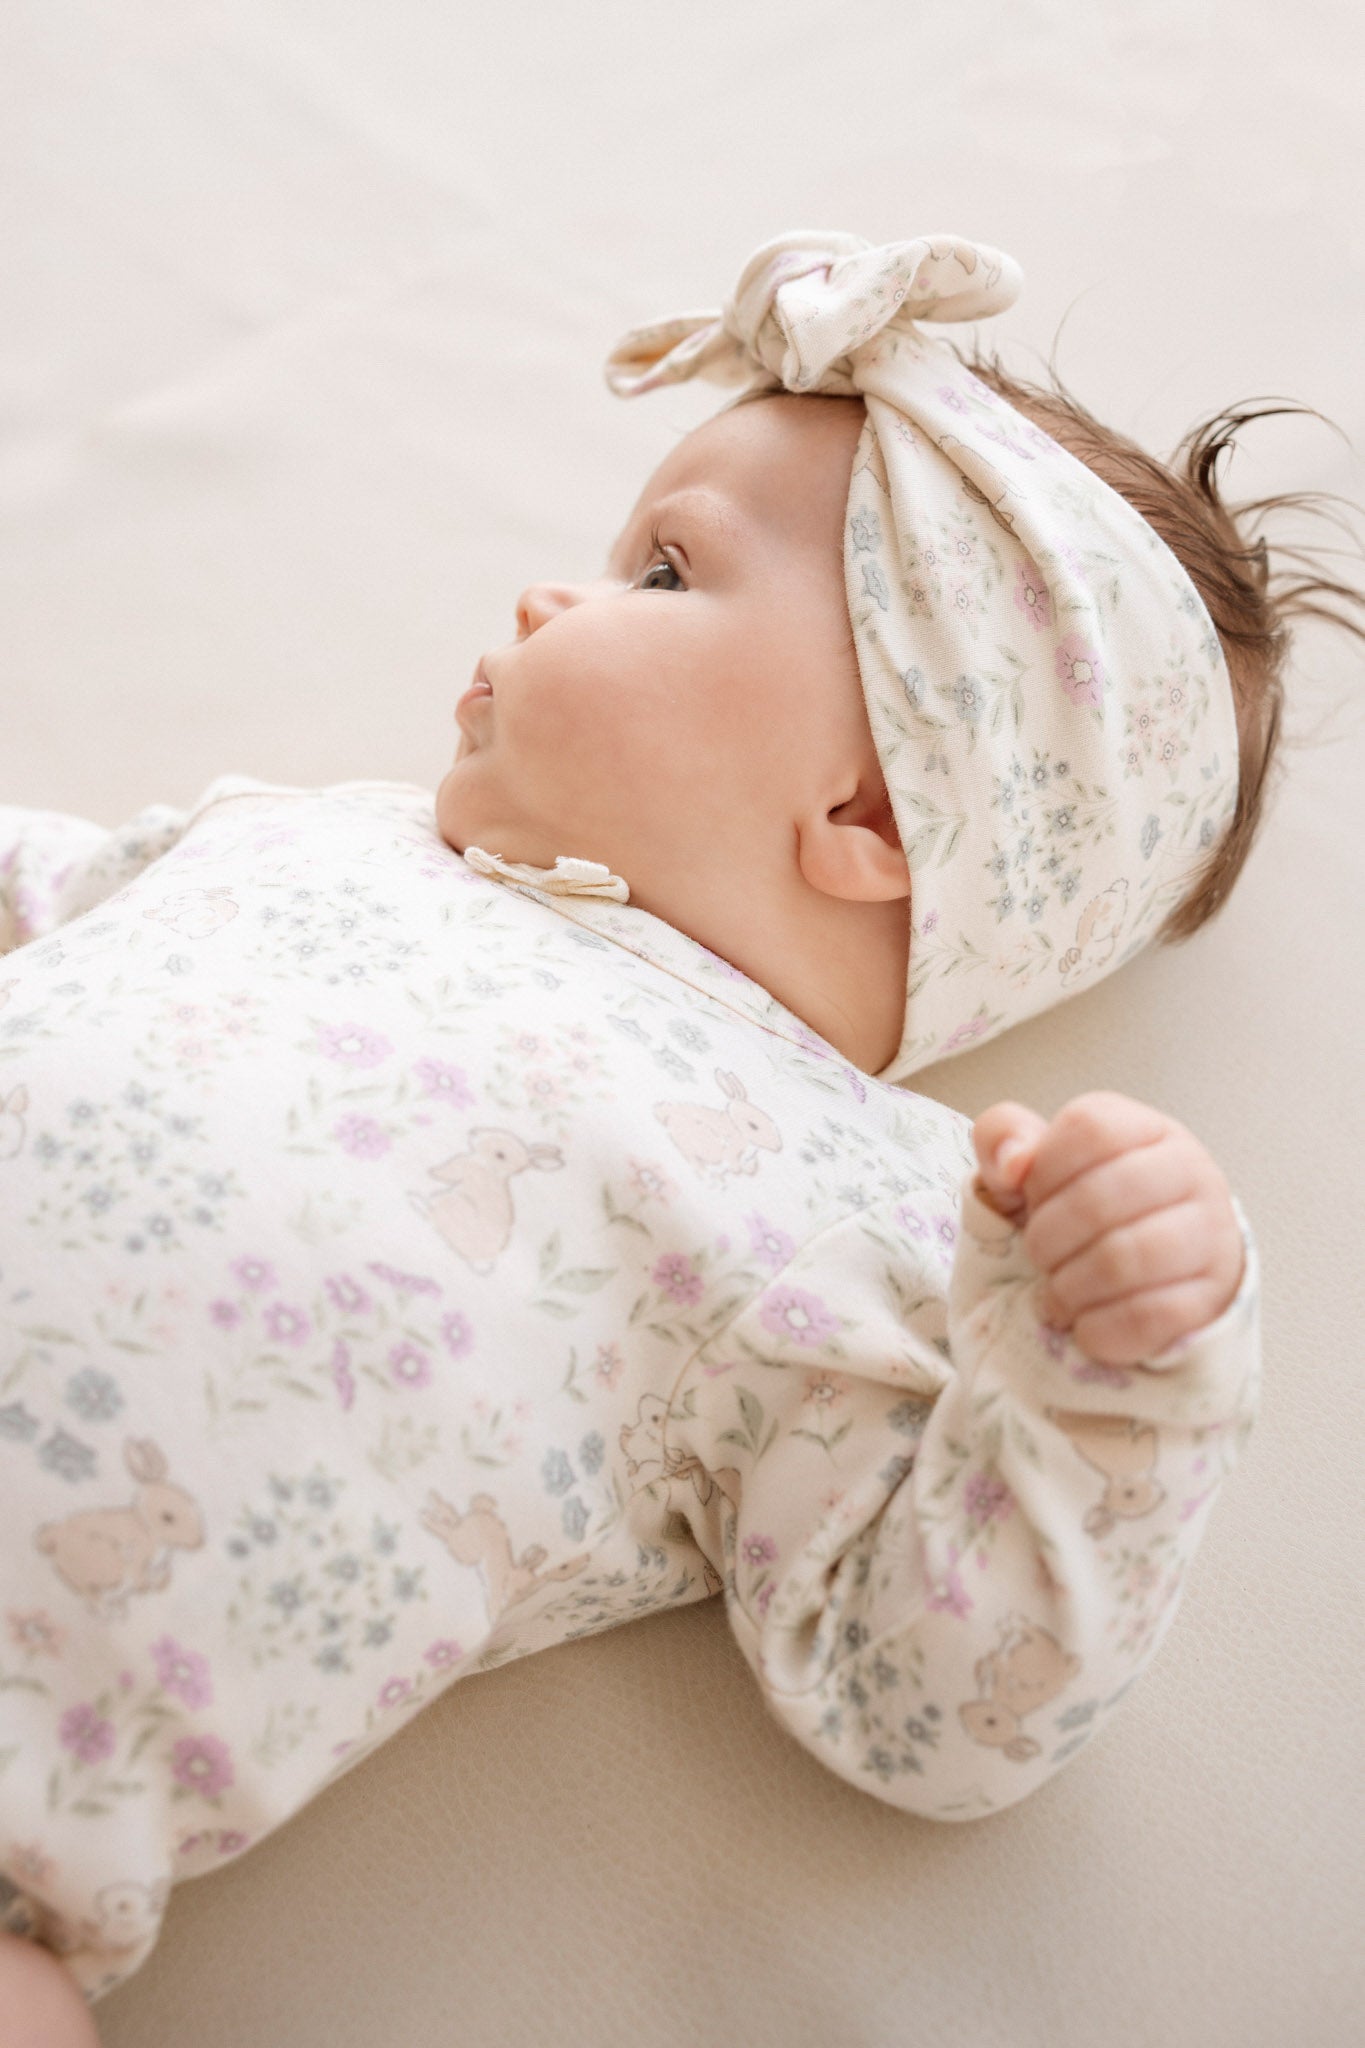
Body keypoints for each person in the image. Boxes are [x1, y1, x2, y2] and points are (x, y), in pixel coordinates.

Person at [1, 230, 1360, 2037]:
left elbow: (934, 1705)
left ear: (864, 815)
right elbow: (52, 894)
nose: (543, 601)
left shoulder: (845, 1200)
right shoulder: (313, 833)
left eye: (659, 570)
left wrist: (1101, 1380)